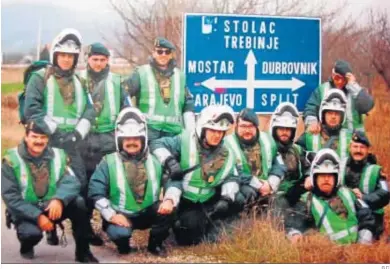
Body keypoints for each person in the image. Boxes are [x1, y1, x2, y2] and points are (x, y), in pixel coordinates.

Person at [1, 121, 98, 263]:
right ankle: (26, 245)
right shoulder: (11, 160)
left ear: (47, 139)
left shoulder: (59, 155)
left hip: (52, 206)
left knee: (79, 203)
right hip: (28, 209)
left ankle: (83, 252)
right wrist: (38, 216)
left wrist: (59, 199)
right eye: (34, 136)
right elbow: (11, 198)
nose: (39, 141)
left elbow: (72, 181)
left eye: (43, 137)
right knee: (31, 234)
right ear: (26, 137)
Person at [88, 107, 178, 257]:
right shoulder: (108, 162)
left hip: (147, 213)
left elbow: (173, 181)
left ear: (143, 139)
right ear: (119, 140)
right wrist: (111, 215)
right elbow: (95, 191)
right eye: (127, 139)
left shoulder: (156, 160)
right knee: (120, 234)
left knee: (170, 210)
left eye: (136, 139)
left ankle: (155, 245)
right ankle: (123, 245)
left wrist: (169, 199)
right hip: (120, 215)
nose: (131, 142)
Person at [150, 104, 240, 246]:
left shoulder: (228, 152)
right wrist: (170, 162)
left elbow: (232, 176)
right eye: (213, 130)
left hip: (209, 198)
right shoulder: (185, 140)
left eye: (221, 132)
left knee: (239, 199)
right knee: (189, 237)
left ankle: (213, 223)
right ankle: (179, 224)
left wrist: (227, 198)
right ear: (202, 129)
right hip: (185, 199)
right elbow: (156, 144)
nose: (217, 135)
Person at [77, 42, 130, 245]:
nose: (98, 63)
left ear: (107, 60)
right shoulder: (78, 79)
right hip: (84, 139)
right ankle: (87, 228)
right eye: (95, 59)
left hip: (108, 140)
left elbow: (127, 110)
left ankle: (110, 224)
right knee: (84, 185)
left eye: (102, 59)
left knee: (107, 184)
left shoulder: (117, 82)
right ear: (88, 59)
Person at [285, 149, 376, 245]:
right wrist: (294, 234)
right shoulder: (307, 201)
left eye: (330, 175)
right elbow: (293, 223)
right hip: (331, 255)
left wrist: (365, 237)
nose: (326, 179)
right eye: (322, 175)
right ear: (314, 177)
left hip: (358, 251)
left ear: (336, 177)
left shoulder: (347, 193)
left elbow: (366, 215)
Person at [123, 37, 195, 142]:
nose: (163, 55)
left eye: (167, 52)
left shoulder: (180, 76)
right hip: (148, 131)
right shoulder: (141, 73)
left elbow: (188, 103)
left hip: (173, 132)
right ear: (153, 53)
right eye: (160, 52)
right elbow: (123, 93)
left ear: (171, 55)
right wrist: (132, 120)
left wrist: (190, 131)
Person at [224, 108, 286, 210]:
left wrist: (271, 184)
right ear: (236, 127)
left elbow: (279, 164)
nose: (247, 130)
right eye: (243, 126)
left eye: (251, 126)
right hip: (242, 186)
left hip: (267, 188)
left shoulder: (268, 140)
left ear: (256, 127)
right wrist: (257, 184)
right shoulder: (227, 144)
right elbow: (229, 172)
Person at [340, 131, 390, 240]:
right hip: (346, 215)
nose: (358, 150)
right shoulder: (340, 165)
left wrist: (363, 197)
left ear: (368, 150)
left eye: (362, 147)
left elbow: (385, 193)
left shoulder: (376, 170)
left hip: (372, 218)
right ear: (350, 148)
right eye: (355, 146)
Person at [304, 59, 374, 134]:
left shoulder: (355, 91)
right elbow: (310, 108)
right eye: (337, 78)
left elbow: (368, 107)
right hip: (328, 139)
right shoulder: (322, 90)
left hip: (353, 141)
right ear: (332, 75)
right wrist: (312, 122)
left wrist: (353, 86)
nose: (340, 82)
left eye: (344, 79)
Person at [268, 103, 309, 218]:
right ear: (274, 129)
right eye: (281, 128)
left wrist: (307, 179)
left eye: (288, 129)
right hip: (274, 197)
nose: (285, 132)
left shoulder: (297, 149)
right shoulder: (267, 148)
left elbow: (309, 167)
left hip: (296, 193)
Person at [297, 89, 352, 161]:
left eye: (337, 114)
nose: (333, 117)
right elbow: (296, 153)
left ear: (342, 117)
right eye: (329, 113)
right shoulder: (310, 134)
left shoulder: (349, 137)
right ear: (323, 115)